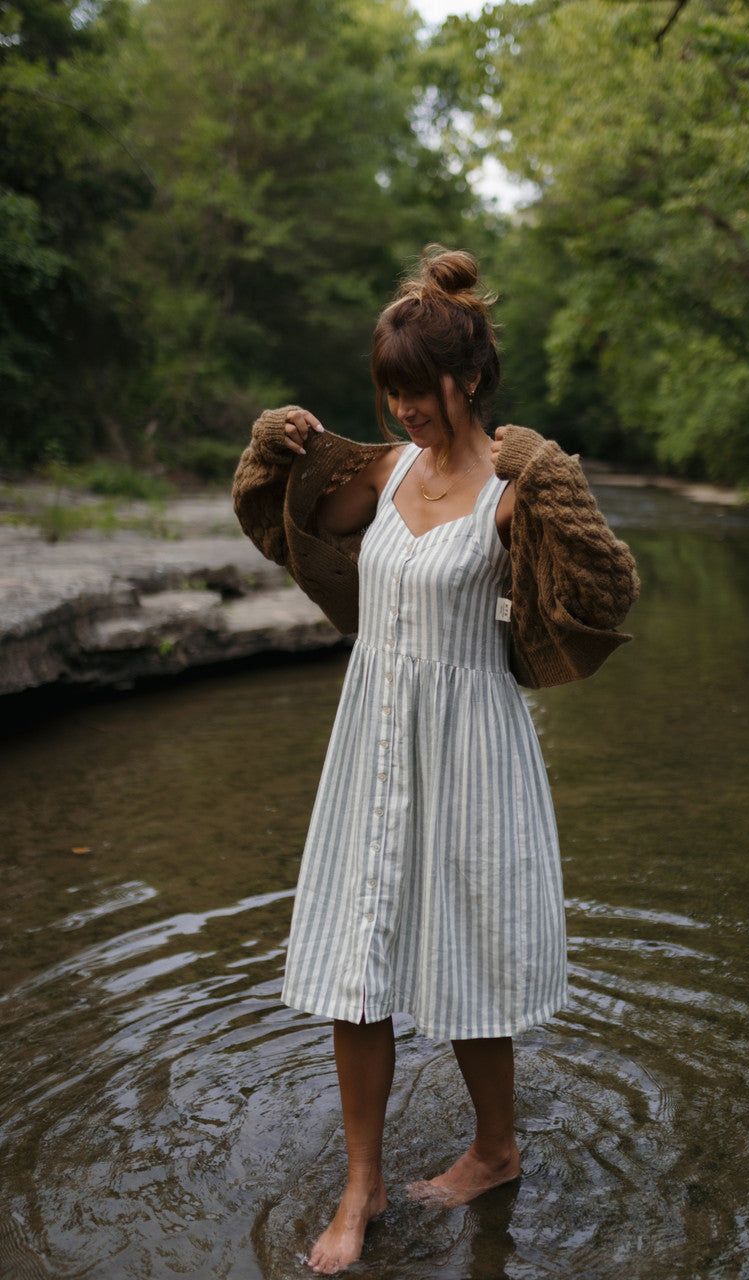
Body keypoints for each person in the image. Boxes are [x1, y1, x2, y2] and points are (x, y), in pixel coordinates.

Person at [233, 245, 639, 1275]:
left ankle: (495, 1146)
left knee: (463, 956)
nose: (406, 408)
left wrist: (550, 477)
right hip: (372, 735)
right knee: (352, 956)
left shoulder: (508, 486)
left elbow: (607, 591)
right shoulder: (385, 466)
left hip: (470, 745)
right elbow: (288, 524)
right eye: (390, 391)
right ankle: (359, 1185)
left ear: (465, 379)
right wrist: (282, 447)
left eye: (418, 390)